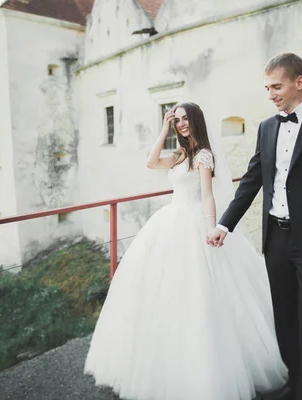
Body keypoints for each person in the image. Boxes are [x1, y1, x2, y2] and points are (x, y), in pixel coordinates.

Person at [84, 102, 288, 400]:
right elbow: (151, 162)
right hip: (169, 220)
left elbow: (207, 195)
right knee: (161, 288)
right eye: (176, 120)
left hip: (194, 219)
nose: (181, 124)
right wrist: (164, 129)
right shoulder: (179, 154)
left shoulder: (203, 155)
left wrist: (210, 227)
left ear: (196, 121)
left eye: (184, 119)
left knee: (201, 290)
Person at [208, 53, 302, 400]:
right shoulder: (266, 127)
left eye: (277, 86)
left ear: (298, 82)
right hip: (276, 241)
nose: (271, 94)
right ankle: (294, 383)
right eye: (267, 88)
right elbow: (252, 181)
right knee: (285, 319)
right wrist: (224, 225)